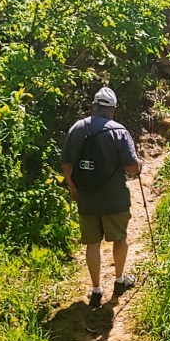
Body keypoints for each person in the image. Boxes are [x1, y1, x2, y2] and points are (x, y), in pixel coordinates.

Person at [61, 85, 142, 309]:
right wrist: (140, 165)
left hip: (86, 196)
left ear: (94, 105)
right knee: (120, 238)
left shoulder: (77, 128)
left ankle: (96, 289)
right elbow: (132, 169)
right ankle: (119, 280)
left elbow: (66, 163)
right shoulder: (119, 131)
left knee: (92, 243)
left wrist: (72, 187)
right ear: (113, 109)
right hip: (114, 197)